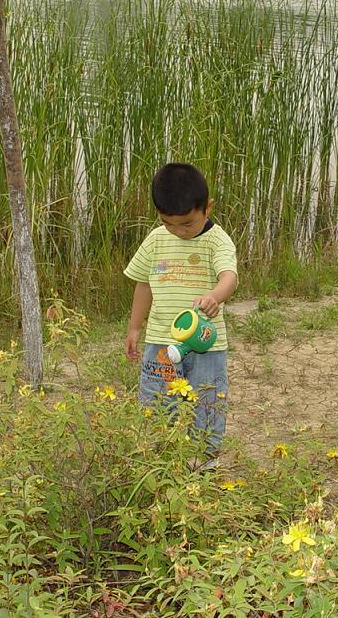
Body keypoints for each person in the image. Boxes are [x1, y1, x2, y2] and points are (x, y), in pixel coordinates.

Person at [124, 163, 238, 470]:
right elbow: (144, 284)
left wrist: (215, 296)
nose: (178, 231)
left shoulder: (217, 241)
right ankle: (160, 464)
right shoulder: (156, 239)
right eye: (169, 223)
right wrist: (135, 327)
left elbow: (229, 276)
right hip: (160, 343)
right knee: (157, 404)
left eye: (187, 224)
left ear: (207, 207)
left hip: (205, 346)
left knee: (208, 402)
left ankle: (205, 466)